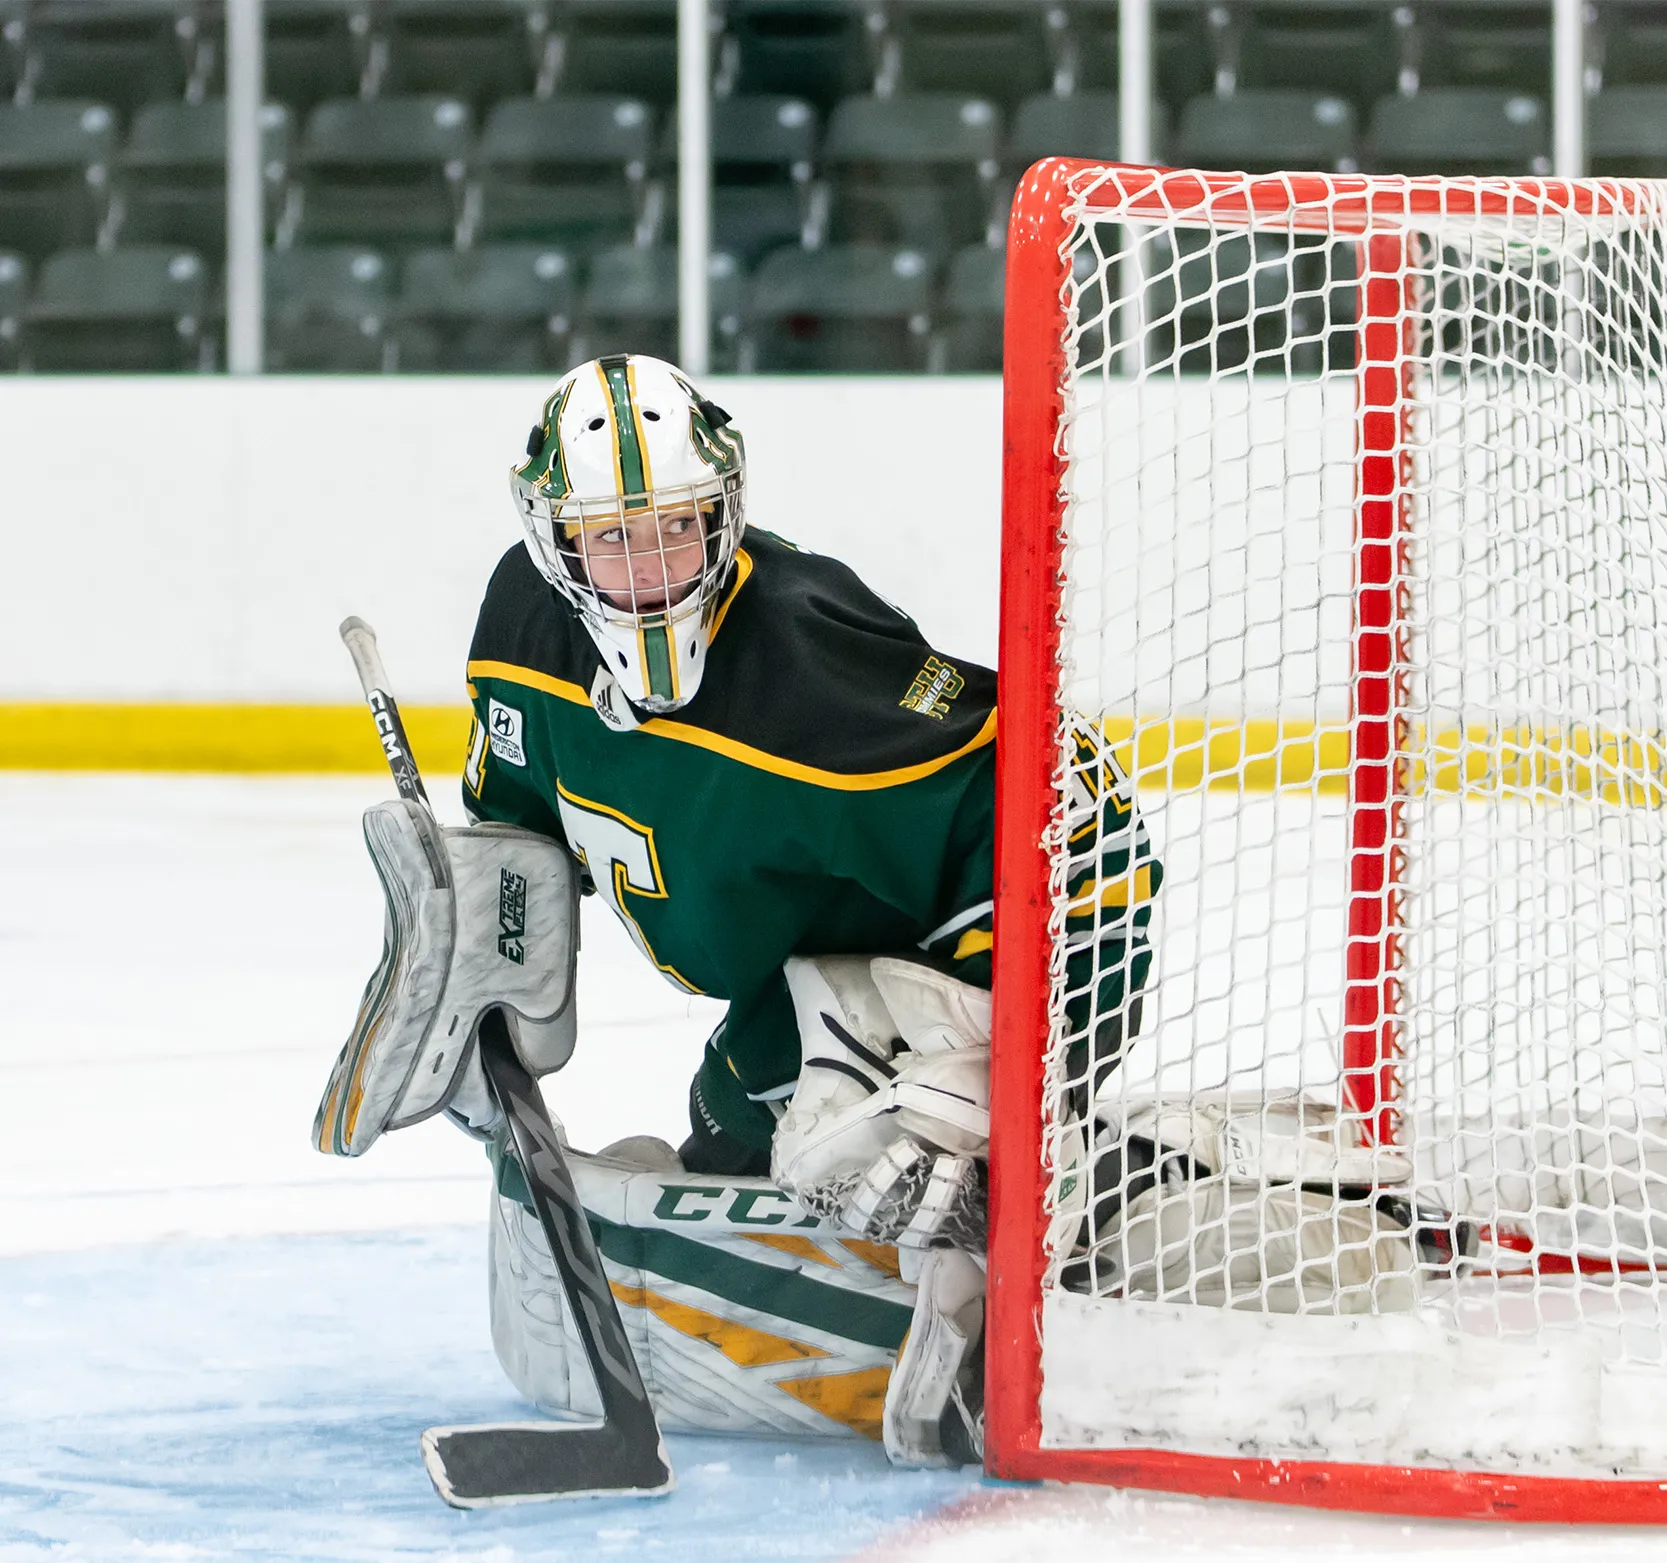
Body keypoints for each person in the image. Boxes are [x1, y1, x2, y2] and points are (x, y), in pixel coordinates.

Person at [313, 353, 1161, 1466]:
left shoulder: (811, 662)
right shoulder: (520, 631)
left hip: (951, 950)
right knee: (729, 1153)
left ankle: (1065, 1230)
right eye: (610, 538)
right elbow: (519, 844)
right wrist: (472, 964)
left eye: (676, 526)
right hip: (800, 973)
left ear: (726, 513)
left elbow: (1076, 813)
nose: (650, 567)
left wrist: (981, 1073)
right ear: (553, 542)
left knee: (900, 1172)